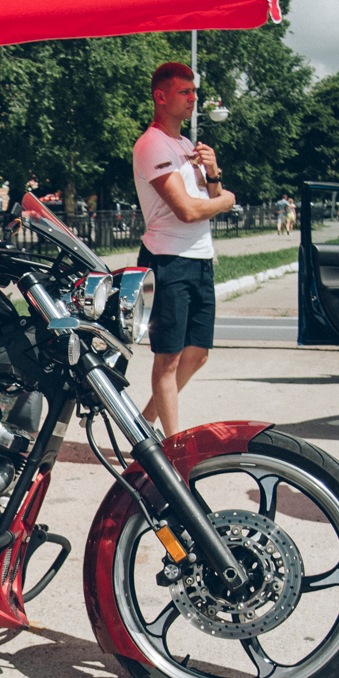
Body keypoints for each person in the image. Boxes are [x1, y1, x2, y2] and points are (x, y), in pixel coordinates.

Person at [133, 61, 234, 436]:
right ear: (161, 97)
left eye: (194, 92)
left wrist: (214, 171)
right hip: (168, 260)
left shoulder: (186, 145)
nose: (193, 99)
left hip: (200, 259)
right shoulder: (152, 144)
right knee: (169, 359)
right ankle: (172, 448)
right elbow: (188, 210)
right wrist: (226, 201)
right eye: (184, 92)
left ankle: (145, 421)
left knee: (198, 354)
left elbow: (210, 195)